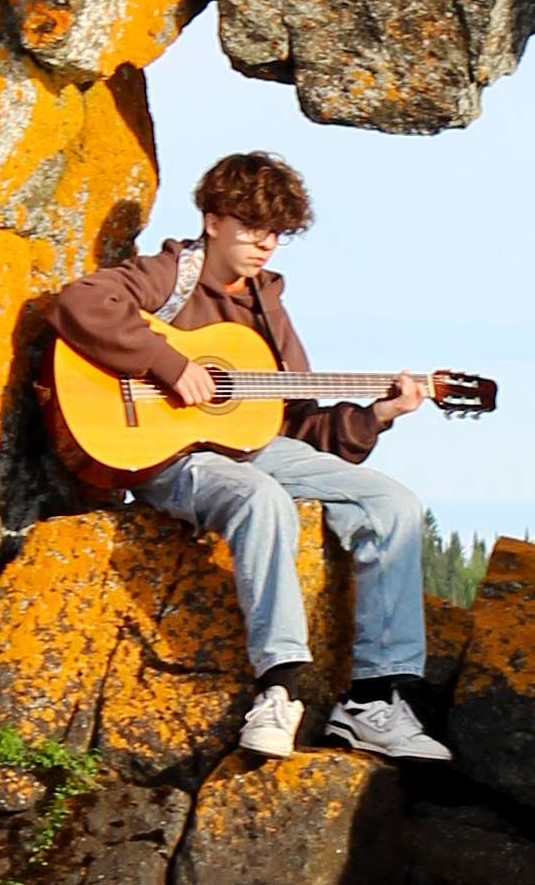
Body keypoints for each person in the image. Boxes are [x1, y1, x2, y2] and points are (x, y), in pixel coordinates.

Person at [43, 151, 451, 764]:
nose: (266, 245)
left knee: (390, 501)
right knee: (259, 497)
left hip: (255, 448)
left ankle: (373, 700)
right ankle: (279, 690)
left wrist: (377, 415)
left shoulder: (268, 308)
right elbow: (79, 304)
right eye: (252, 228)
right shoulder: (171, 275)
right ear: (213, 220)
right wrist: (172, 365)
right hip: (168, 457)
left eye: (278, 233)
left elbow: (294, 421)